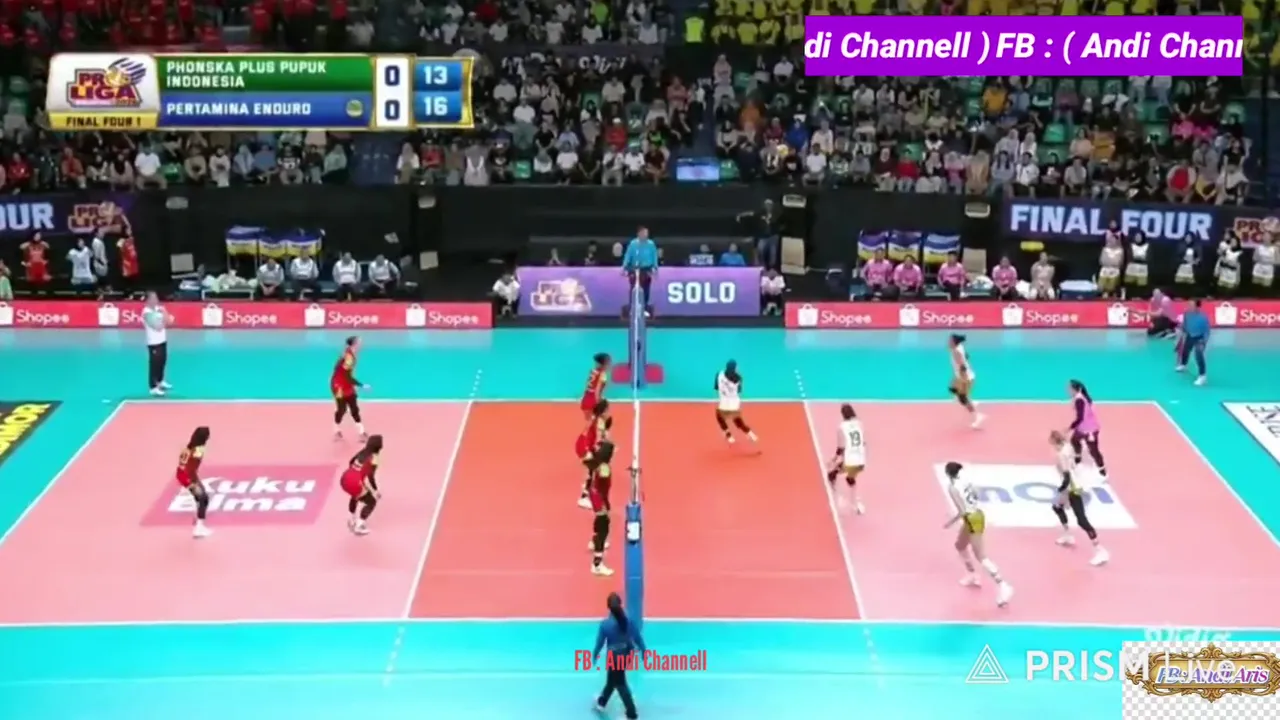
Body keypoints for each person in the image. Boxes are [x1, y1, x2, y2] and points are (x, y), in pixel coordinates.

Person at [942, 461, 1013, 607]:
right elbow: (977, 494)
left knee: (981, 556)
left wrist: (950, 522)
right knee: (960, 545)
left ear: (948, 474)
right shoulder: (966, 480)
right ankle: (972, 574)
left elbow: (962, 511)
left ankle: (1003, 585)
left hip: (972, 519)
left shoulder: (952, 487)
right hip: (975, 515)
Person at [1049, 431, 1110, 566]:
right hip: (1074, 484)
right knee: (1057, 507)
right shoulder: (1068, 447)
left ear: (1054, 443)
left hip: (1073, 489)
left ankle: (1100, 551)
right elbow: (1077, 459)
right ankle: (1068, 535)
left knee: (1082, 520)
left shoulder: (1061, 455)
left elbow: (1067, 478)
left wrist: (1060, 490)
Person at [592, 592, 645, 719]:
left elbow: (600, 643)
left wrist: (595, 654)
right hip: (626, 656)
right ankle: (602, 702)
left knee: (620, 684)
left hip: (614, 658)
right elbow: (637, 638)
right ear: (621, 604)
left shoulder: (605, 624)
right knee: (612, 680)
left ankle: (632, 713)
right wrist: (644, 650)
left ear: (608, 607)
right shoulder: (629, 622)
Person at [339, 434, 384, 535]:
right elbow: (370, 476)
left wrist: (355, 474)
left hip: (345, 478)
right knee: (371, 502)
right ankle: (360, 525)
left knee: (355, 496)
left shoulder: (363, 452)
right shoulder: (374, 458)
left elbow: (351, 462)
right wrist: (375, 490)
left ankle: (351, 520)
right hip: (355, 483)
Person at [827, 403, 866, 514]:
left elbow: (840, 448)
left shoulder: (842, 427)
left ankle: (838, 498)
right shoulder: (859, 424)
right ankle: (856, 504)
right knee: (850, 478)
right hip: (861, 461)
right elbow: (863, 442)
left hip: (850, 461)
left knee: (832, 474)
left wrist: (834, 459)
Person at [1067, 380, 1108, 481]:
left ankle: (1102, 471)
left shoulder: (1079, 400)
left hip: (1090, 430)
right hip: (1082, 427)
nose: (1068, 390)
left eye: (1070, 388)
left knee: (1094, 451)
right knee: (1074, 440)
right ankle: (1078, 459)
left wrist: (1069, 428)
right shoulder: (1081, 397)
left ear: (1076, 389)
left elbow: (1080, 418)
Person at [175, 426, 212, 539]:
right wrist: (191, 484)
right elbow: (190, 469)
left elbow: (182, 465)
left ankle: (197, 521)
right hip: (188, 477)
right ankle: (199, 529)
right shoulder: (199, 450)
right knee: (203, 498)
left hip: (182, 475)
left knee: (201, 498)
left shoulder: (187, 447)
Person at [332, 336, 370, 439]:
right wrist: (362, 385)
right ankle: (336, 429)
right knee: (342, 410)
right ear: (354, 344)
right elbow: (347, 376)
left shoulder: (350, 354)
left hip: (347, 385)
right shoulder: (348, 358)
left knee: (354, 408)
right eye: (359, 342)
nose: (361, 345)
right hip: (339, 387)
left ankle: (361, 433)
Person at [576, 400, 612, 509]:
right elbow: (597, 440)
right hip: (584, 447)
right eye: (607, 410)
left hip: (583, 445)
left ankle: (588, 489)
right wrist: (589, 452)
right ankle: (584, 497)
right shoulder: (599, 423)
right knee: (593, 468)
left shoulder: (597, 419)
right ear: (603, 411)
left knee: (594, 468)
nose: (608, 412)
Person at [588, 441, 616, 576]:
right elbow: (603, 476)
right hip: (599, 499)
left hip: (596, 497)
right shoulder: (604, 467)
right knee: (603, 528)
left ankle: (594, 542)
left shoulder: (598, 463)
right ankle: (597, 564)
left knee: (601, 522)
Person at [715, 360, 757, 445]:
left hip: (724, 403)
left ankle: (728, 435)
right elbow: (739, 391)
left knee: (719, 417)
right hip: (734, 403)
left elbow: (716, 388)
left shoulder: (719, 374)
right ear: (734, 368)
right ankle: (750, 433)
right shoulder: (739, 378)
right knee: (737, 420)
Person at [948, 334, 984, 428]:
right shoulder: (960, 347)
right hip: (961, 376)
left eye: (950, 341)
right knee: (952, 389)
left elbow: (962, 367)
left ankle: (978, 417)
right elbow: (967, 356)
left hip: (965, 377)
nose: (948, 342)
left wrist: (963, 380)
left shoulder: (956, 352)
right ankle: (970, 401)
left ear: (954, 342)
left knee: (962, 398)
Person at [621, 226, 658, 316]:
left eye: (647, 233)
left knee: (646, 289)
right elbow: (628, 255)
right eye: (644, 233)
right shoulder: (633, 244)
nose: (646, 235)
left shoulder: (651, 244)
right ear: (639, 234)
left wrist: (655, 267)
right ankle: (633, 308)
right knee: (634, 289)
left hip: (647, 269)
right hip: (634, 269)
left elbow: (654, 256)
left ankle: (644, 308)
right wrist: (624, 267)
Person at [143, 292, 173, 396]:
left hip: (162, 340)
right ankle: (153, 387)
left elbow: (169, 322)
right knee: (154, 365)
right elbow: (157, 327)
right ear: (148, 300)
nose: (156, 300)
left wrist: (164, 313)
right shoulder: (146, 313)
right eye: (153, 298)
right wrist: (165, 318)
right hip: (153, 342)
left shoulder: (159, 309)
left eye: (156, 297)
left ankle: (160, 381)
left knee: (162, 362)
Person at [1176, 298, 1209, 386]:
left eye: (1191, 305)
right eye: (1188, 304)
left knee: (1198, 355)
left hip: (1200, 338)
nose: (1189, 306)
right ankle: (1183, 365)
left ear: (1197, 307)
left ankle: (1202, 376)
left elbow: (1206, 331)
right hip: (1190, 335)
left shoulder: (1203, 317)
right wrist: (1182, 331)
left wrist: (1204, 341)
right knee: (1185, 350)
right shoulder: (1187, 314)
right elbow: (1185, 324)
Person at [581, 353, 611, 420]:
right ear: (604, 363)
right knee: (602, 420)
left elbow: (587, 385)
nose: (609, 364)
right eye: (608, 362)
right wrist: (598, 402)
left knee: (589, 421)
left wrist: (583, 398)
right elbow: (597, 389)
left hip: (586, 399)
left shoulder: (592, 371)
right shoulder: (603, 374)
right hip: (594, 399)